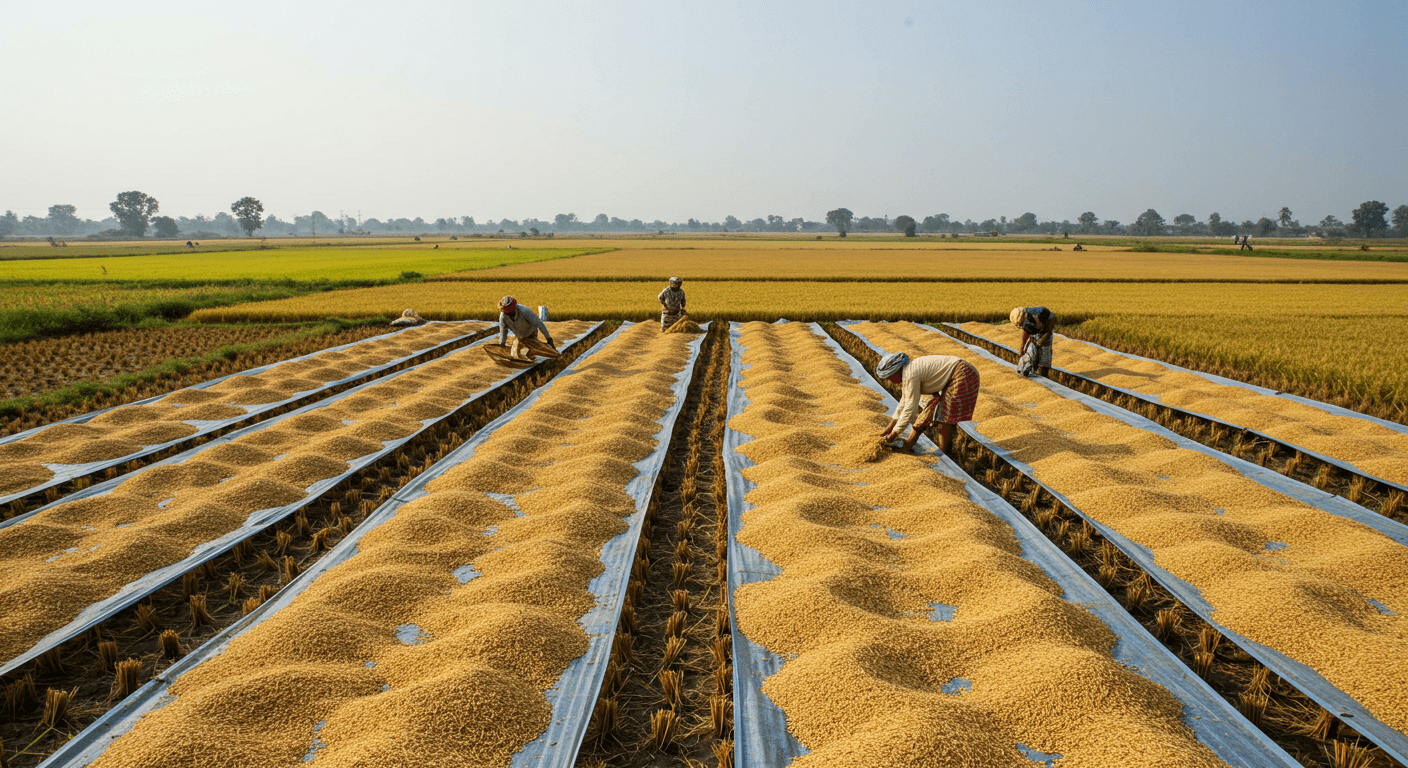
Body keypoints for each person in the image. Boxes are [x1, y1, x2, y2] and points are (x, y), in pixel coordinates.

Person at [876, 352, 980, 456]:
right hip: (958, 372)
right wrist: (889, 428)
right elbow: (903, 402)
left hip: (962, 373)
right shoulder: (908, 373)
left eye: (889, 378)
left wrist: (895, 432)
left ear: (895, 372)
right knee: (939, 417)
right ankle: (911, 446)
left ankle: (945, 455)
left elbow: (910, 408)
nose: (890, 381)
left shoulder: (910, 375)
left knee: (944, 421)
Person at [1010, 306, 1055, 377]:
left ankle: (1043, 374)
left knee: (1044, 356)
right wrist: (1022, 348)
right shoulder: (1024, 321)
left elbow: (1050, 327)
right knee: (1031, 353)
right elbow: (1025, 332)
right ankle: (1030, 369)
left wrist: (1042, 339)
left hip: (1045, 330)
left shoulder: (1040, 313)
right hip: (1035, 331)